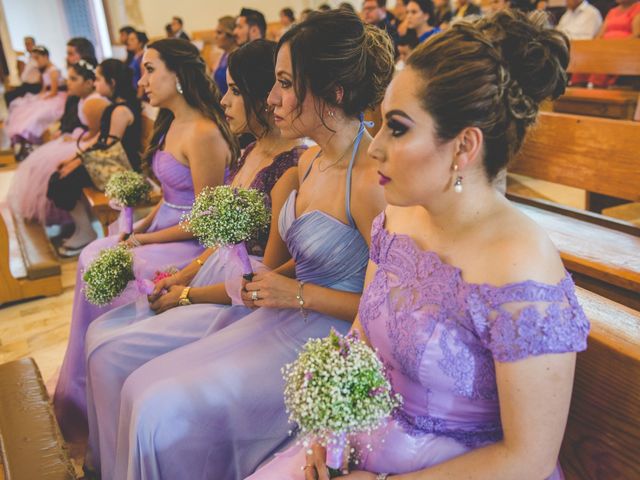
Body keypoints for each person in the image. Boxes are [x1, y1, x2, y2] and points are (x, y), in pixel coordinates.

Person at [249, 9, 589, 480]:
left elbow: (526, 458)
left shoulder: (522, 265)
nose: (375, 147)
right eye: (383, 122)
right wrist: (330, 434)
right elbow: (362, 338)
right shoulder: (398, 217)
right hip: (364, 446)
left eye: (399, 128)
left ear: (464, 147)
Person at [87, 9, 394, 480]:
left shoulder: (372, 180)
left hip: (327, 339)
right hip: (283, 314)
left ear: (334, 91)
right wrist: (267, 279)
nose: (271, 98)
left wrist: (291, 292)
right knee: (140, 387)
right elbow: (301, 261)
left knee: (159, 406)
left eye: (287, 84)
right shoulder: (308, 163)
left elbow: (385, 314)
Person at [83, 40, 305, 478]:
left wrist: (187, 294)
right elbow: (219, 241)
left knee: (113, 356)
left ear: (264, 95)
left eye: (235, 90)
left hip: (239, 301)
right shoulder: (249, 151)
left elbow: (265, 273)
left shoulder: (290, 167)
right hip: (212, 273)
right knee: (100, 336)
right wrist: (181, 274)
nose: (224, 101)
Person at [52, 38, 237, 444]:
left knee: (118, 260)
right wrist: (138, 230)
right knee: (94, 253)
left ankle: (112, 372)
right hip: (165, 228)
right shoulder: (171, 123)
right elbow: (171, 198)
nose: (142, 81)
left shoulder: (204, 132)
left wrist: (148, 239)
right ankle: (85, 395)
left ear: (178, 73)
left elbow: (206, 218)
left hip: (193, 244)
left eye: (151, 69)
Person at [46, 59, 142, 254]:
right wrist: (75, 158)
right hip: (109, 160)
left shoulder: (122, 110)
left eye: (98, 79)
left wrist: (77, 163)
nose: (95, 84)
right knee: (61, 176)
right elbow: (100, 139)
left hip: (121, 166)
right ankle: (82, 228)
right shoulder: (113, 107)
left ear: (112, 83)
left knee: (64, 180)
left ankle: (86, 233)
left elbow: (110, 147)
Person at [8, 58, 106, 225]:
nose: (69, 83)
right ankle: (73, 222)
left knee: (52, 167)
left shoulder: (94, 102)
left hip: (87, 141)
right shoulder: (83, 99)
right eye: (69, 78)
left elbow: (97, 134)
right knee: (39, 164)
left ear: (89, 83)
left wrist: (73, 138)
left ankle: (80, 224)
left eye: (74, 79)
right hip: (80, 137)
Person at [5, 46, 66, 152]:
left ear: (45, 56)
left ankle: (29, 138)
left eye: (37, 58)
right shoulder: (44, 70)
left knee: (35, 112)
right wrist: (39, 97)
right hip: (47, 95)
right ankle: (20, 140)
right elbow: (44, 88)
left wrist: (43, 98)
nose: (36, 61)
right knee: (23, 107)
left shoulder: (53, 70)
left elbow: (54, 91)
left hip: (57, 97)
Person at [4, 36, 42, 106]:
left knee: (9, 95)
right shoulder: (26, 58)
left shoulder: (38, 57)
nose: (27, 46)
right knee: (8, 93)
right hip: (26, 84)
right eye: (26, 44)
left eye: (29, 44)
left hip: (34, 86)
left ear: (34, 44)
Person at [212, 16, 238, 95]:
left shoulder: (237, 56)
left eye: (219, 33)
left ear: (231, 35)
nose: (215, 36)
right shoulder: (223, 54)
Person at [127, 30, 148, 95]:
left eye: (132, 40)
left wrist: (138, 98)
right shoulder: (134, 57)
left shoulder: (143, 57)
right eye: (128, 40)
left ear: (140, 43)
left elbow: (143, 78)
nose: (128, 42)